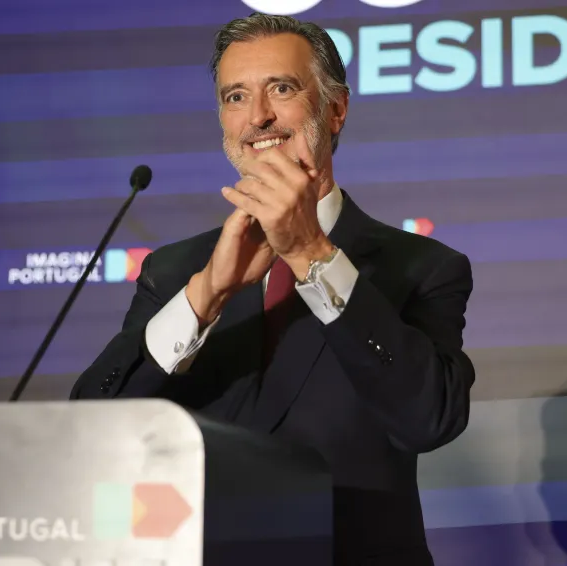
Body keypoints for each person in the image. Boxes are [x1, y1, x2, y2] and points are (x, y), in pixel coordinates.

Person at [70, 12, 475, 566]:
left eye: (281, 89)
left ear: (336, 109)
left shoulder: (421, 267)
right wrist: (204, 297)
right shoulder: (178, 271)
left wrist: (312, 255)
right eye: (235, 97)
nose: (257, 116)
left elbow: (428, 419)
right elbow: (91, 429)